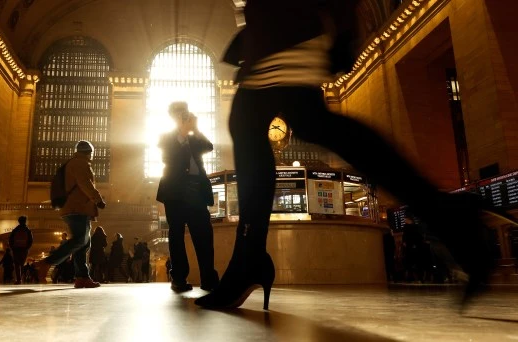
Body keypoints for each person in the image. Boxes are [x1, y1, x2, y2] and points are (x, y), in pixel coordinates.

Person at [195, 0, 506, 310]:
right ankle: (449, 216)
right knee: (302, 122)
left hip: (286, 21)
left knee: (276, 121)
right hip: (276, 24)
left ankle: (449, 216)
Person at [156, 102, 219, 292]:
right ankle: (179, 279)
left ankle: (208, 278)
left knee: (204, 235)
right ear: (172, 116)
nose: (182, 116)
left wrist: (196, 129)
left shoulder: (194, 139)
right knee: (176, 236)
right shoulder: (165, 137)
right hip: (174, 193)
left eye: (184, 113)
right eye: (178, 113)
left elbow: (209, 146)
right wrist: (183, 131)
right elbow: (168, 156)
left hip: (196, 192)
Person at [35, 140, 106, 288]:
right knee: (80, 240)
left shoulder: (73, 163)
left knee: (83, 243)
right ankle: (47, 262)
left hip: (76, 208)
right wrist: (97, 199)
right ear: (89, 152)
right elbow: (85, 183)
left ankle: (82, 277)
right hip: (77, 208)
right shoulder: (80, 163)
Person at [9, 215, 34, 284]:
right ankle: (22, 278)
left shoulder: (15, 230)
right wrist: (27, 247)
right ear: (25, 221)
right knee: (22, 264)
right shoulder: (28, 230)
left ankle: (19, 279)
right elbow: (31, 240)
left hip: (16, 249)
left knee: (17, 265)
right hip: (24, 249)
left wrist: (13, 248)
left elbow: (10, 239)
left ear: (19, 221)